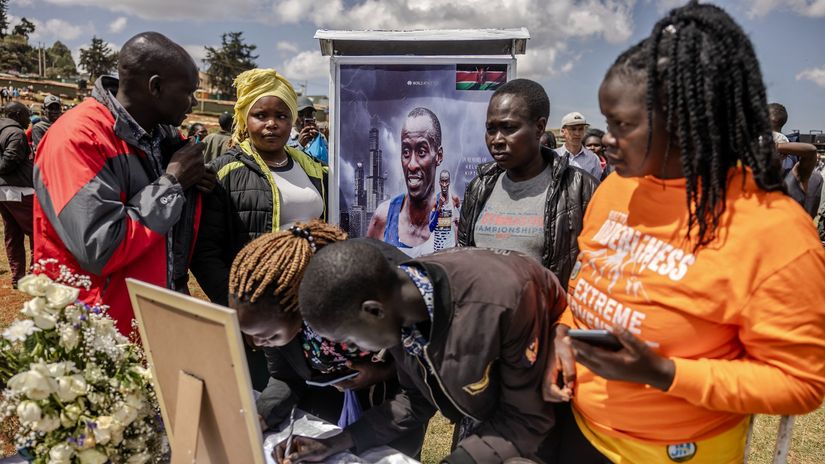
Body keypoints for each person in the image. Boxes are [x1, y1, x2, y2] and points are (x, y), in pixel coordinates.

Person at [543, 4, 825, 463]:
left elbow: (801, 384)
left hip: (678, 451)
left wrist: (666, 373)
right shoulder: (616, 187)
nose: (606, 140)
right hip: (579, 431)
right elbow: (589, 283)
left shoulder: (773, 233)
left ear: (685, 122)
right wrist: (565, 333)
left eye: (623, 125)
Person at [277, 242, 565, 463]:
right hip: (495, 424)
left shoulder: (502, 301)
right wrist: (337, 442)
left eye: (350, 339)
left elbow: (528, 419)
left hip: (555, 427)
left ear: (373, 310)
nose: (353, 350)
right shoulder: (399, 306)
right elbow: (415, 400)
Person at [32, 32, 213, 335]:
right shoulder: (77, 138)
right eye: (188, 92)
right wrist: (172, 184)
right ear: (155, 87)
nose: (193, 103)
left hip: (147, 324)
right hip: (94, 334)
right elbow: (101, 246)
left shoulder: (159, 136)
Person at [228, 221, 425, 456]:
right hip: (331, 405)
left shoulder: (375, 284)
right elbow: (286, 376)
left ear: (299, 306)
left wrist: (380, 373)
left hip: (392, 405)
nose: (259, 343)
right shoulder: (271, 305)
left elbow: (418, 388)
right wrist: (260, 417)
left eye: (268, 336)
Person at [191, 68, 327, 390]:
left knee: (313, 401)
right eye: (260, 115)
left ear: (292, 120)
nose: (271, 124)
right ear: (244, 119)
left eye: (281, 115)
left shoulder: (315, 169)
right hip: (258, 314)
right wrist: (239, 313)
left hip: (310, 310)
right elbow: (206, 253)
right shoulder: (225, 171)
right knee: (262, 400)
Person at [458, 79, 597, 287]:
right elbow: (463, 257)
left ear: (539, 128)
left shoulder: (581, 190)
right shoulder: (479, 187)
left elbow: (596, 271)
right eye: (490, 129)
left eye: (509, 128)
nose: (496, 139)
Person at [367, 107, 443, 257]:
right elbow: (367, 275)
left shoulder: (451, 220)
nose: (412, 164)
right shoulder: (383, 217)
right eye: (406, 152)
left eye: (422, 152)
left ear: (438, 156)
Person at [0, 102, 33, 288]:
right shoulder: (16, 133)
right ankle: (36, 273)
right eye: (26, 115)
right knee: (36, 232)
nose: (29, 119)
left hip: (4, 192)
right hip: (19, 190)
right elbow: (9, 160)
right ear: (18, 114)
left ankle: (18, 277)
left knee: (12, 234)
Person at [768, 102, 821, 218]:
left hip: (781, 205)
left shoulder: (784, 147)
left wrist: (776, 146)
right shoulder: (793, 149)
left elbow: (811, 151)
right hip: (786, 208)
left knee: (815, 177)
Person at [555, 111, 603, 180]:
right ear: (563, 132)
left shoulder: (593, 159)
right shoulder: (554, 155)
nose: (577, 133)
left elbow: (595, 187)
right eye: (573, 129)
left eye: (581, 129)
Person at [288, 96, 328, 163]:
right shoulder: (286, 137)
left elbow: (328, 161)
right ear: (294, 116)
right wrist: (300, 145)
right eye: (300, 115)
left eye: (308, 115)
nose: (304, 119)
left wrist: (319, 141)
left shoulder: (320, 137)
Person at [429, 170, 460, 251]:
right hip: (438, 247)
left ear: (449, 182)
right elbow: (431, 227)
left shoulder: (454, 199)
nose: (444, 184)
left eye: (446, 181)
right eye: (442, 181)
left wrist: (459, 220)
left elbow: (464, 218)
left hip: (451, 246)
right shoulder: (435, 200)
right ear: (439, 182)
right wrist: (439, 208)